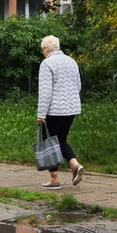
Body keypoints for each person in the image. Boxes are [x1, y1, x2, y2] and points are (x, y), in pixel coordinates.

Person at [36, 35, 84, 189]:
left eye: (43, 48)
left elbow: (45, 92)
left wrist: (41, 114)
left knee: (50, 143)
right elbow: (78, 86)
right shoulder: (72, 62)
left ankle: (54, 179)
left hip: (54, 110)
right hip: (71, 109)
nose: (43, 51)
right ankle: (75, 165)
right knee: (61, 141)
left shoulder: (47, 63)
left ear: (48, 49)